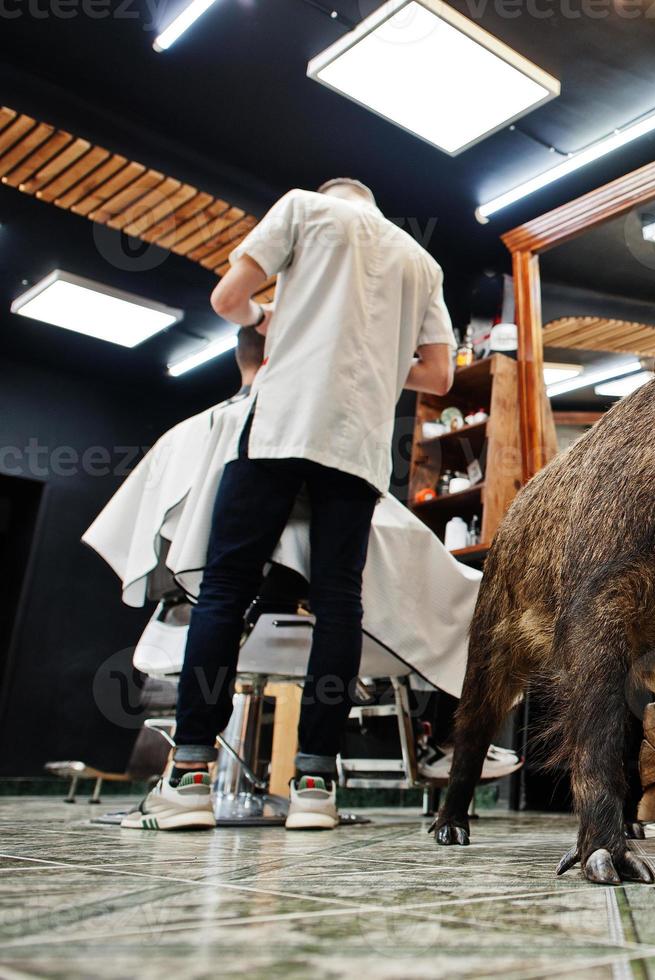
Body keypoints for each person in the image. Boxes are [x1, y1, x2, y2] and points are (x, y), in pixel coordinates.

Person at [124, 178, 454, 831]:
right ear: (373, 200)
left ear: (335, 194)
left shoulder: (304, 207)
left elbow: (228, 298)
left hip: (280, 427)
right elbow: (439, 377)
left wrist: (263, 321)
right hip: (356, 447)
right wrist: (386, 364)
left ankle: (188, 777)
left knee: (223, 590)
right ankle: (314, 787)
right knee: (339, 605)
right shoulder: (422, 262)